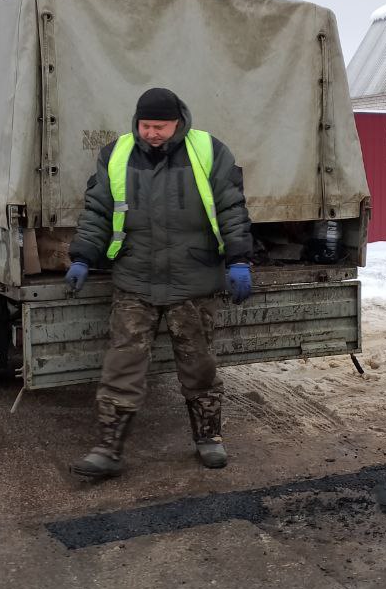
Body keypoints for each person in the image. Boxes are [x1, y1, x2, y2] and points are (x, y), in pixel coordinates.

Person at [64, 87, 253, 478]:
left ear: (178, 123)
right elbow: (98, 210)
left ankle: (208, 439)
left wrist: (238, 260)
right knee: (122, 364)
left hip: (193, 280)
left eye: (159, 126)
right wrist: (82, 256)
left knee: (199, 367)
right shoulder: (116, 154)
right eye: (145, 125)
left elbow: (232, 207)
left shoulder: (209, 151)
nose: (151, 133)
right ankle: (108, 449)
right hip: (136, 279)